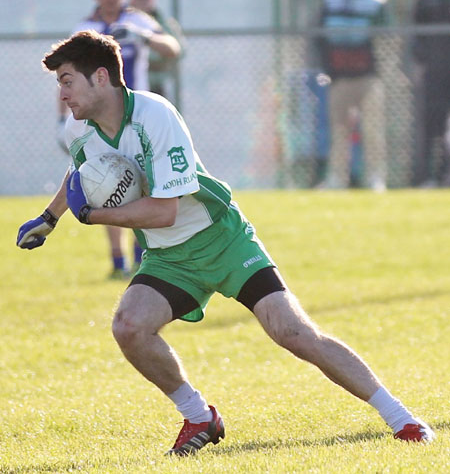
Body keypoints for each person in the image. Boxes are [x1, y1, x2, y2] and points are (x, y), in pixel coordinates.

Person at [17, 30, 434, 456]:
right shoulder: (78, 130)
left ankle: (402, 419)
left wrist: (94, 216)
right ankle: (199, 415)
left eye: (67, 80)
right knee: (129, 327)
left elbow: (165, 211)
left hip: (223, 239)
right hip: (169, 257)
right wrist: (50, 219)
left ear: (100, 78)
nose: (62, 93)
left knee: (293, 331)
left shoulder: (155, 116)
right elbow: (84, 174)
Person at [61, 0, 181, 279]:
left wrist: (143, 36)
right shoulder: (84, 30)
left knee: (141, 185)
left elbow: (172, 48)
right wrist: (62, 120)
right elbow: (65, 77)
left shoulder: (137, 21)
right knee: (105, 183)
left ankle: (142, 255)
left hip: (136, 113)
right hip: (99, 119)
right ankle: (117, 260)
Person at [315, 0, 389, 192]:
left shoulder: (377, 1)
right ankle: (337, 178)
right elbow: (318, 37)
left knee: (372, 129)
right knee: (338, 130)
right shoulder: (329, 0)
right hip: (338, 78)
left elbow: (387, 40)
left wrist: (382, 69)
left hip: (368, 76)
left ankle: (376, 178)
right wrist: (326, 68)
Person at [412, 0, 450, 187]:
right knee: (432, 123)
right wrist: (419, 63)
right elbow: (416, 34)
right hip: (435, 70)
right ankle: (429, 176)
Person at [130, 0, 184, 98]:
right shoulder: (126, 22)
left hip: (157, 82)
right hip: (131, 83)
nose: (142, 2)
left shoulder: (165, 24)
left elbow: (178, 50)